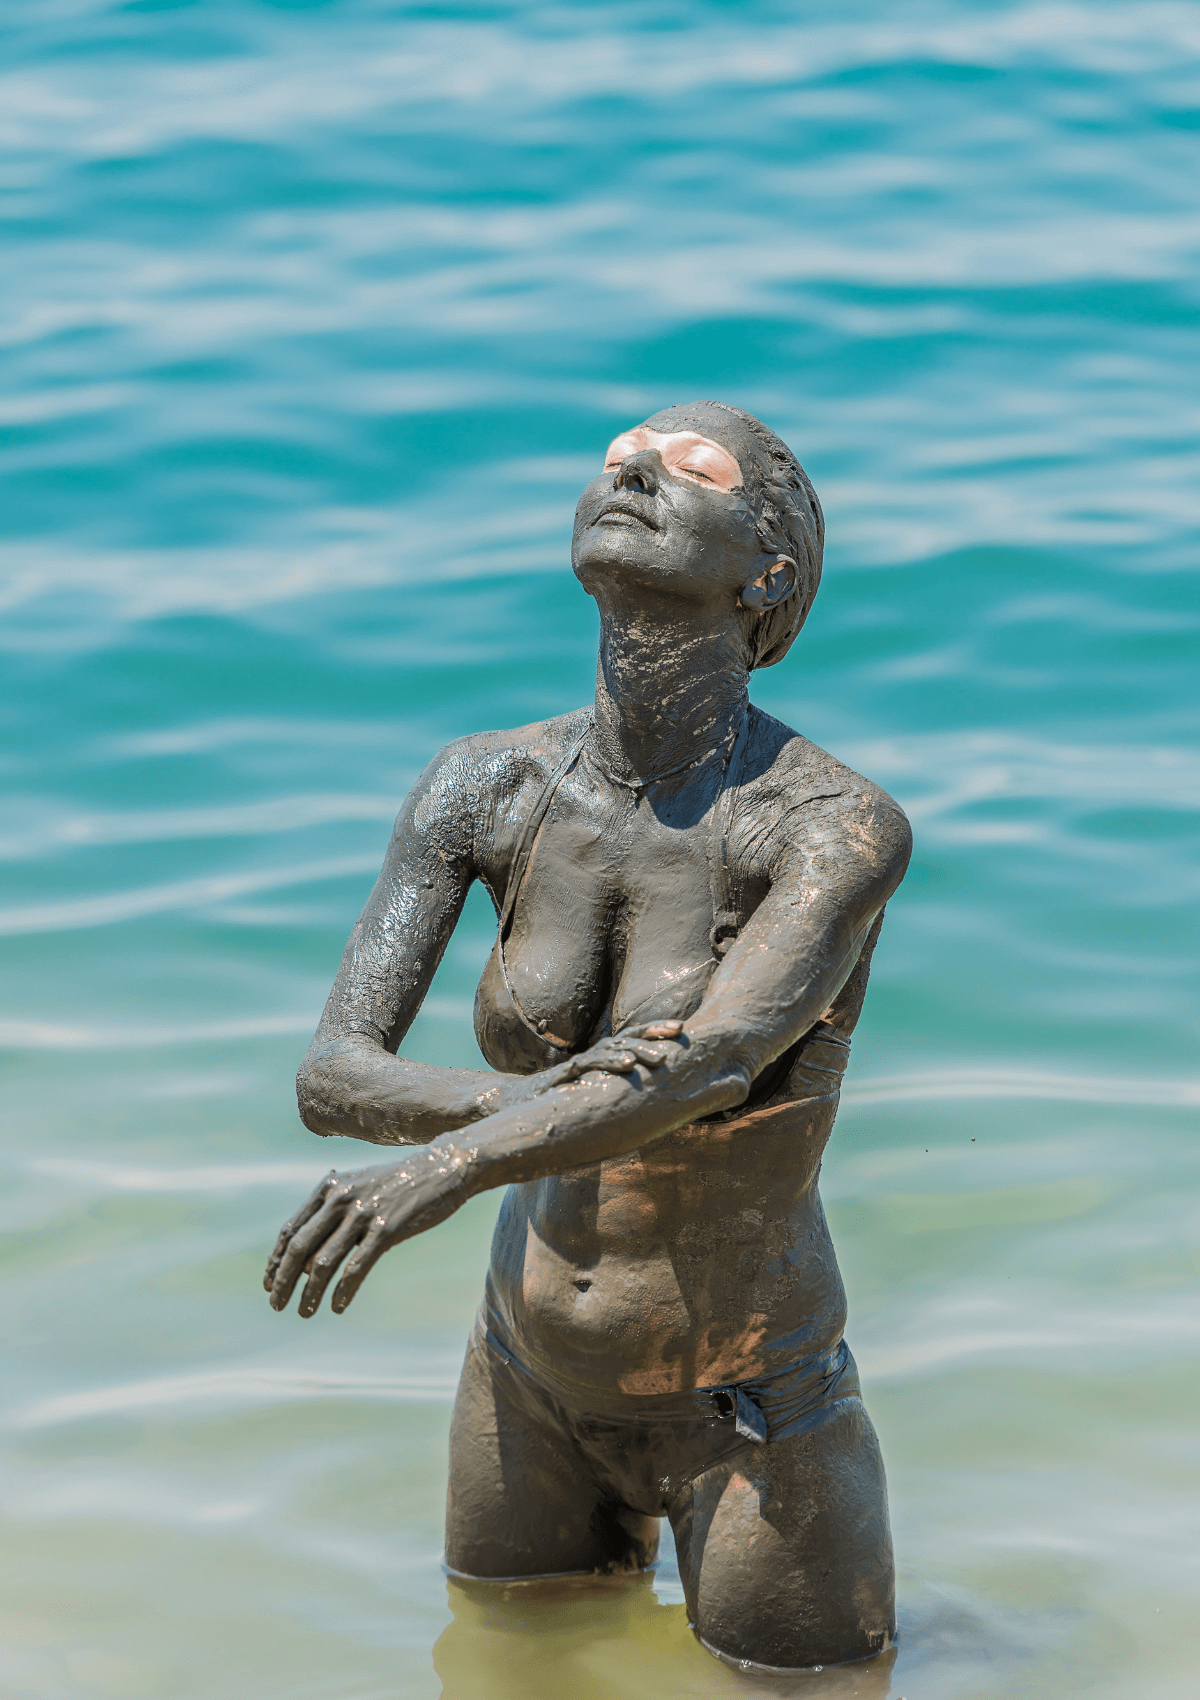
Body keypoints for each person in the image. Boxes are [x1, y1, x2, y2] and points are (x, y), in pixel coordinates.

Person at [265, 401, 912, 1672]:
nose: (630, 467)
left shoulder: (833, 827)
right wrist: (556, 1099)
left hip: (753, 1406)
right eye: (618, 456)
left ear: (765, 570)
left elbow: (716, 1064)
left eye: (688, 467)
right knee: (498, 1664)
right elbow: (334, 1072)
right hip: (524, 1379)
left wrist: (446, 1164)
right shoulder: (482, 783)